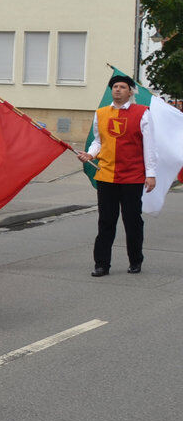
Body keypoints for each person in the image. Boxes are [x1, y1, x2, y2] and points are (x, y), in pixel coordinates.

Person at [76, 73, 157, 276]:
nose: (118, 90)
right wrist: (90, 154)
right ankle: (102, 264)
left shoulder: (142, 113)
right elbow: (98, 141)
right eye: (115, 87)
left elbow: (149, 146)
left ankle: (135, 260)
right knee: (106, 221)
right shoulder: (101, 113)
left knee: (132, 220)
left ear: (130, 92)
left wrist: (151, 174)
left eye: (122, 87)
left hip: (133, 176)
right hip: (106, 175)